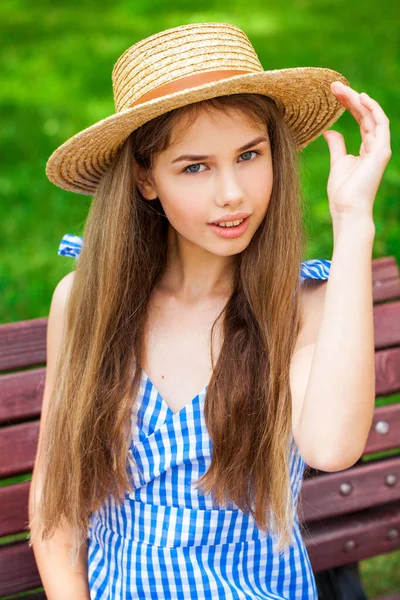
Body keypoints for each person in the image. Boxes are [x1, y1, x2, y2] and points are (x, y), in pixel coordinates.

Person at [28, 21, 391, 600]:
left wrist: (354, 223)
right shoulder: (85, 305)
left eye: (249, 155)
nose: (232, 193)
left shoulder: (299, 308)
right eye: (195, 166)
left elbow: (331, 446)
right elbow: (57, 512)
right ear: (146, 179)